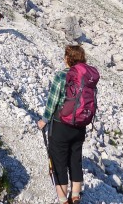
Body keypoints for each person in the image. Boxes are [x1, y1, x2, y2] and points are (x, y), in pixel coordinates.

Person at [38, 45, 88, 204]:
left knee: (59, 161)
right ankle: (75, 196)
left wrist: (44, 120)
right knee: (75, 159)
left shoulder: (61, 76)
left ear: (68, 58)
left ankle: (62, 199)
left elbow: (52, 102)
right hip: (80, 126)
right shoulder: (87, 78)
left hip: (61, 125)